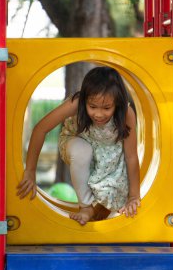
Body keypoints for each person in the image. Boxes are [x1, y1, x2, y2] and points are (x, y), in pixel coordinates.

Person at [17, 66, 140, 225]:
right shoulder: (76, 103)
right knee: (82, 151)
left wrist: (134, 196)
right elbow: (41, 128)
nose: (98, 114)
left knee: (114, 194)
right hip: (76, 141)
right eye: (92, 107)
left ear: (117, 102)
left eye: (107, 108)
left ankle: (98, 216)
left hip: (108, 154)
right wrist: (30, 170)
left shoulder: (126, 114)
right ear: (85, 100)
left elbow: (131, 157)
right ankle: (86, 206)